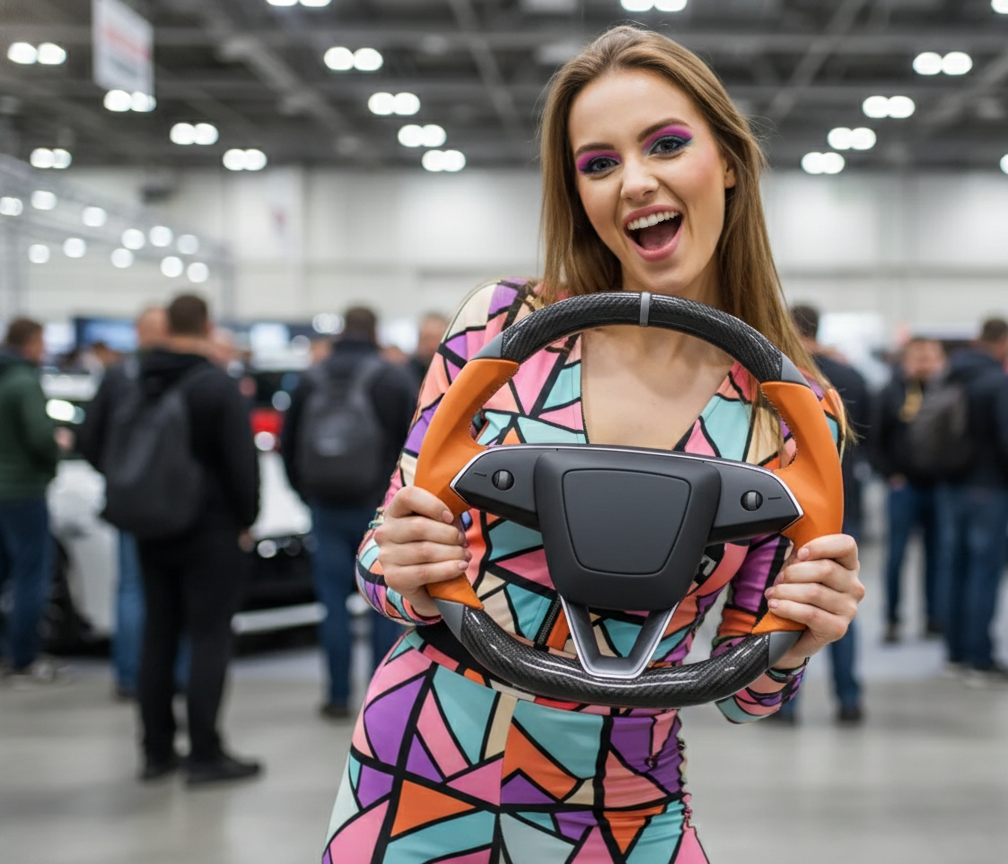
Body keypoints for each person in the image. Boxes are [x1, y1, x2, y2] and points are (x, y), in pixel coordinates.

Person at [322, 26, 864, 862]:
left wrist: (804, 638)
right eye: (599, 163)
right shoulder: (500, 332)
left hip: (620, 795)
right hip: (418, 765)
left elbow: (744, 694)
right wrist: (404, 570)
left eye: (667, 144)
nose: (635, 182)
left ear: (727, 160)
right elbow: (378, 560)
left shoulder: (794, 414)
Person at [85, 294, 262, 783]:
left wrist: (136, 487)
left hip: (149, 526)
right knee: (208, 637)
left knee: (157, 636)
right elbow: (239, 463)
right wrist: (246, 517)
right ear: (206, 325)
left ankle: (155, 750)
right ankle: (205, 754)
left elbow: (92, 443)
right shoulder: (213, 385)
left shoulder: (128, 379)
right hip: (210, 528)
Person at [280, 306, 417, 719]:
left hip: (325, 503)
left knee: (332, 604)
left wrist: (306, 494)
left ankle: (337, 696)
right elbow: (414, 445)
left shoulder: (310, 378)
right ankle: (379, 694)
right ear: (374, 331)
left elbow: (288, 445)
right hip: (379, 507)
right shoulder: (391, 377)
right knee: (382, 602)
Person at [775, 303, 867, 724]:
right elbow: (873, 436)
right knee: (835, 599)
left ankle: (783, 701)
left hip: (786, 511)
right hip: (841, 507)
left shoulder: (772, 377)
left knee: (791, 600)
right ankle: (849, 698)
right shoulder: (847, 377)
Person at [78, 306, 171, 699]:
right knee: (173, 594)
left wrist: (117, 474)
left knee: (131, 589)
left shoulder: (116, 377)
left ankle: (130, 676)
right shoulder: (185, 376)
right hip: (175, 502)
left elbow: (88, 439)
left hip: (129, 502)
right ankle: (170, 677)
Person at [935, 318, 1008, 686]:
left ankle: (955, 654)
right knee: (983, 574)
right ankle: (980, 658)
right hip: (988, 488)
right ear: (1004, 341)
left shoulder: (949, 376)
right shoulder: (998, 381)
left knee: (954, 570)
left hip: (949, 486)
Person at [0, 318, 64, 684]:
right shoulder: (24, 381)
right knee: (31, 575)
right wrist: (53, 459)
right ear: (30, 341)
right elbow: (41, 436)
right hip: (22, 490)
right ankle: (23, 658)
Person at [870, 337, 946, 643]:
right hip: (903, 488)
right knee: (896, 556)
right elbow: (873, 440)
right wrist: (890, 474)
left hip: (939, 488)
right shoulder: (890, 392)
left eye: (931, 357)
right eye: (919, 357)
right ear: (907, 359)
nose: (925, 364)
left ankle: (934, 617)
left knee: (937, 557)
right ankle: (892, 619)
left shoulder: (946, 391)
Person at [405, 310, 449, 387]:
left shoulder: (457, 374)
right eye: (426, 339)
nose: (431, 345)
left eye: (436, 339)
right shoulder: (406, 374)